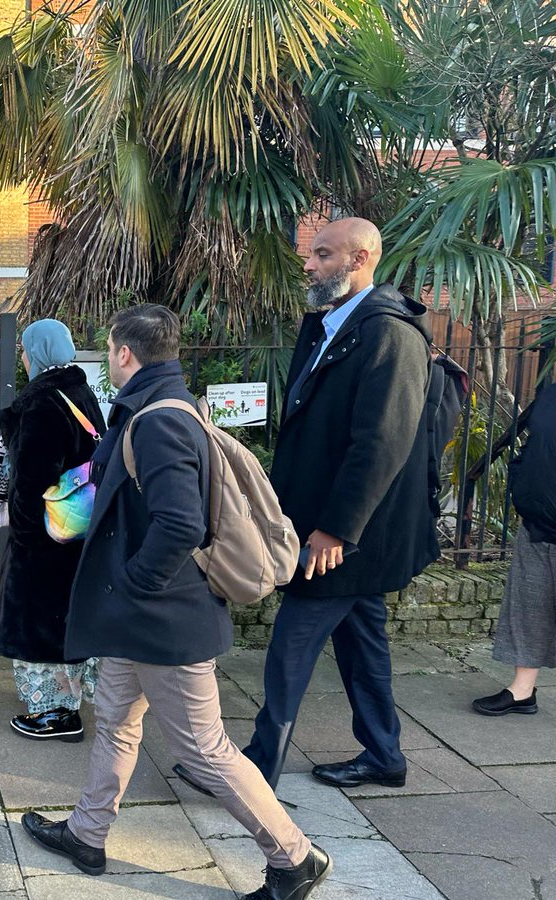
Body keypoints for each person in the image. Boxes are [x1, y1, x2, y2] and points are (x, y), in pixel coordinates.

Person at [22, 304, 331, 900]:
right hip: (138, 620)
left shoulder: (160, 420)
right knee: (115, 722)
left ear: (123, 353)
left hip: (162, 620)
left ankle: (294, 857)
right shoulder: (159, 405)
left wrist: (135, 584)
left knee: (205, 749)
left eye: (109, 349)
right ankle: (87, 834)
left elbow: (181, 524)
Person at [237, 217, 437, 791]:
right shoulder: (332, 324)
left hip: (344, 536)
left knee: (290, 646)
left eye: (323, 254)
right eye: (312, 254)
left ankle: (254, 769)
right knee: (362, 643)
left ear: (360, 259)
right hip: (336, 530)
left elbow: (381, 443)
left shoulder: (389, 334)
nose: (309, 264)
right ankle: (385, 755)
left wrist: (335, 530)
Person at [0, 319, 105, 742]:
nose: (22, 356)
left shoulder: (41, 402)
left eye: (24, 348)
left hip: (45, 539)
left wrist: (23, 535)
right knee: (64, 621)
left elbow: (32, 479)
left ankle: (56, 714)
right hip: (76, 531)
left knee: (39, 625)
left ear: (37, 352)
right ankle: (66, 704)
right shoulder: (78, 391)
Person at [473, 383, 556, 716]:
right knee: (529, 606)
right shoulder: (550, 395)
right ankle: (522, 690)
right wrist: (521, 479)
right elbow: (534, 443)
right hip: (538, 522)